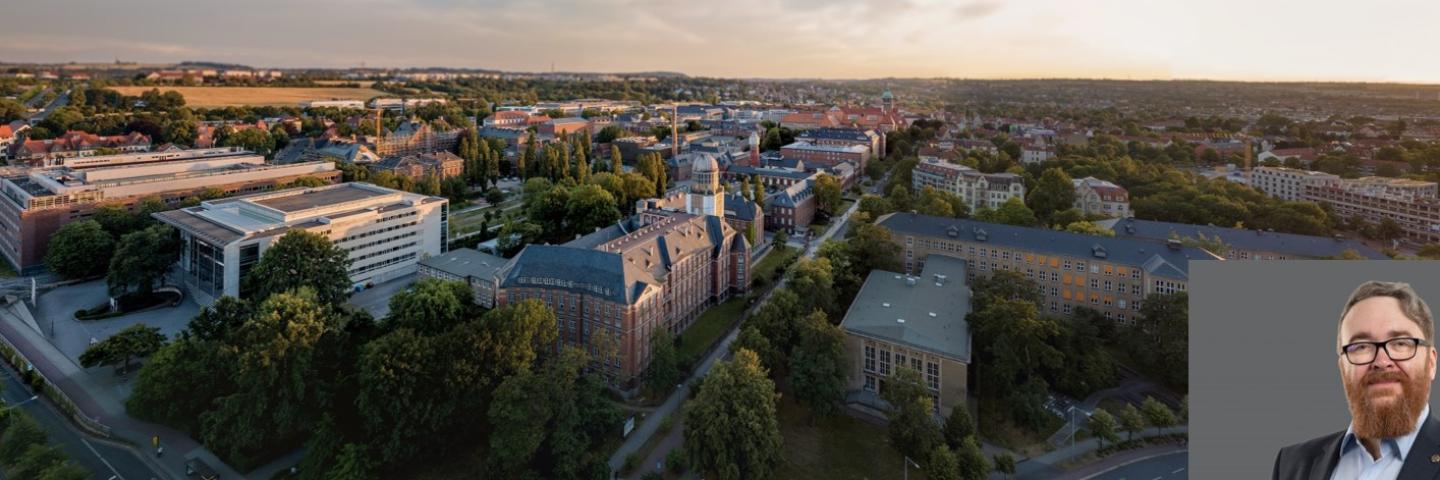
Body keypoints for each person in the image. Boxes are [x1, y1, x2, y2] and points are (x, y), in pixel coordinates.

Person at [1274, 281, 1440, 480]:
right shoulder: (1294, 464)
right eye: (1361, 347)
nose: (1381, 361)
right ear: (1343, 367)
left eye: (1400, 343)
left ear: (1431, 363)